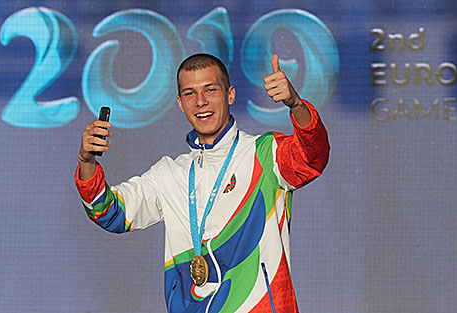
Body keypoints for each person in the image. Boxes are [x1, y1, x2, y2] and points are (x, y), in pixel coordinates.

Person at [75, 53, 330, 313]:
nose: (200, 102)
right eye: (189, 93)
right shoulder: (168, 174)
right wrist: (86, 161)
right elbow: (108, 213)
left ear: (230, 95)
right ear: (180, 103)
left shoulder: (263, 154)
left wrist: (295, 104)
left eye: (210, 90)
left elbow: (312, 158)